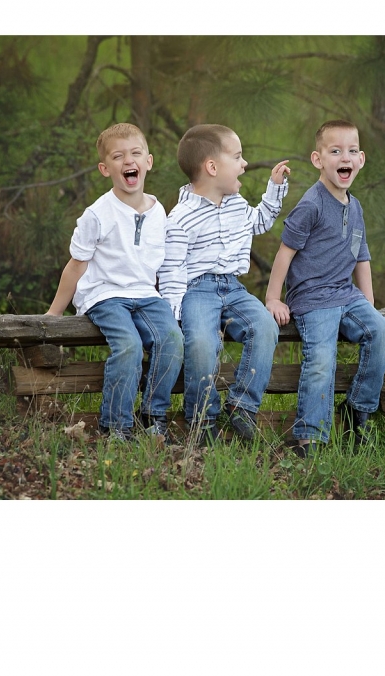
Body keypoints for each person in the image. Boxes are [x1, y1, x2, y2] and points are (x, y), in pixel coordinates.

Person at [46, 122, 183, 443]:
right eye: (118, 156)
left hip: (146, 296)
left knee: (172, 341)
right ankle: (116, 425)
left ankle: (152, 416)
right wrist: (53, 315)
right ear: (105, 169)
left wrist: (171, 303)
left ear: (148, 161)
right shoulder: (97, 214)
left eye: (135, 153)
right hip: (105, 295)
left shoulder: (159, 210)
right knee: (129, 346)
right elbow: (76, 265)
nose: (128, 161)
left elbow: (161, 265)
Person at [265, 119, 385, 455]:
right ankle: (310, 438)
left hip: (346, 294)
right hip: (312, 298)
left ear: (361, 160)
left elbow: (361, 255)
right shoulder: (312, 204)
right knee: (322, 358)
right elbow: (284, 253)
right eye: (335, 151)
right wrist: (273, 298)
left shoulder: (355, 206)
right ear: (318, 159)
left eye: (351, 151)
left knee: (381, 332)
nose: (344, 157)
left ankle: (357, 412)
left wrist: (368, 302)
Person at [159, 124, 290, 443]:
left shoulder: (235, 204)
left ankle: (243, 406)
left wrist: (274, 189)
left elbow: (258, 222)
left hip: (233, 289)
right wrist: (175, 314)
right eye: (238, 156)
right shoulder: (180, 218)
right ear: (212, 167)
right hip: (197, 292)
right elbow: (172, 270)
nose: (244, 163)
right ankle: (202, 417)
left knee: (264, 327)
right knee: (202, 343)